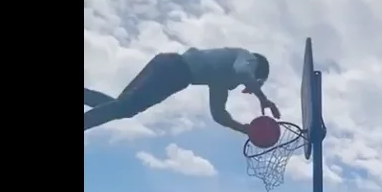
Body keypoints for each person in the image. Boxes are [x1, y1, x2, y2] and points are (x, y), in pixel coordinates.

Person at [84, 47, 281, 134]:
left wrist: (244, 129)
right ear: (257, 73)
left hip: (168, 65)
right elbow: (243, 72)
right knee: (124, 108)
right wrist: (262, 98)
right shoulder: (248, 58)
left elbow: (219, 115)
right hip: (175, 71)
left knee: (120, 106)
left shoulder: (221, 78)